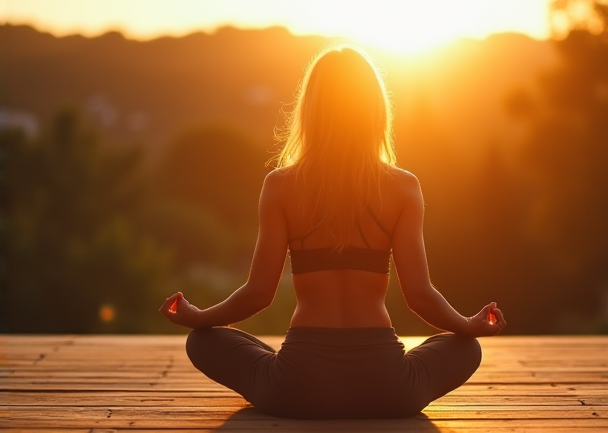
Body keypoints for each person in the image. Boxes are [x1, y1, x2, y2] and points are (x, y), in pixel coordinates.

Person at [159, 45, 507, 419]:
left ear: (310, 110)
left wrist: (198, 317)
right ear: (375, 110)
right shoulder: (403, 187)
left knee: (203, 341)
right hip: (388, 388)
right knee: (467, 348)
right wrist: (468, 325)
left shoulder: (280, 186)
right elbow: (419, 296)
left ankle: (277, 385)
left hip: (297, 387)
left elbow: (258, 294)